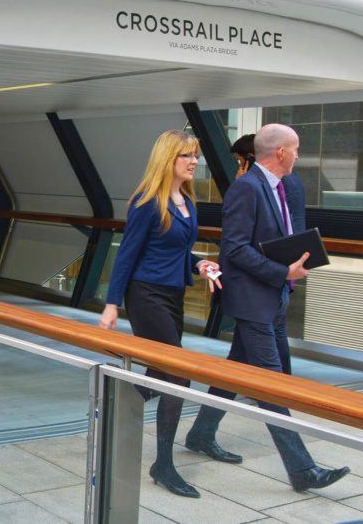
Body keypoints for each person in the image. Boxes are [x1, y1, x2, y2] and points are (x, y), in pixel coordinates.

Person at [184, 123, 349, 492]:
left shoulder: (278, 186)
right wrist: (281, 271)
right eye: (296, 149)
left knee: (235, 372)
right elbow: (235, 249)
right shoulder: (246, 187)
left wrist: (290, 273)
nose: (298, 156)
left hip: (272, 295)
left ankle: (200, 434)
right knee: (272, 383)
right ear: (280, 153)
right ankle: (303, 471)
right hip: (252, 299)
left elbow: (283, 236)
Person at [98, 130, 222, 498]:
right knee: (177, 375)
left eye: (195, 155)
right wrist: (111, 304)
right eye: (187, 156)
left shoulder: (185, 201)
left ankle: (116, 402)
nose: (194, 162)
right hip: (146, 295)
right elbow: (127, 254)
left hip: (172, 295)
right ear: (168, 158)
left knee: (159, 372)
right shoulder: (147, 202)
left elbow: (177, 250)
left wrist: (201, 264)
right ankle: (163, 465)